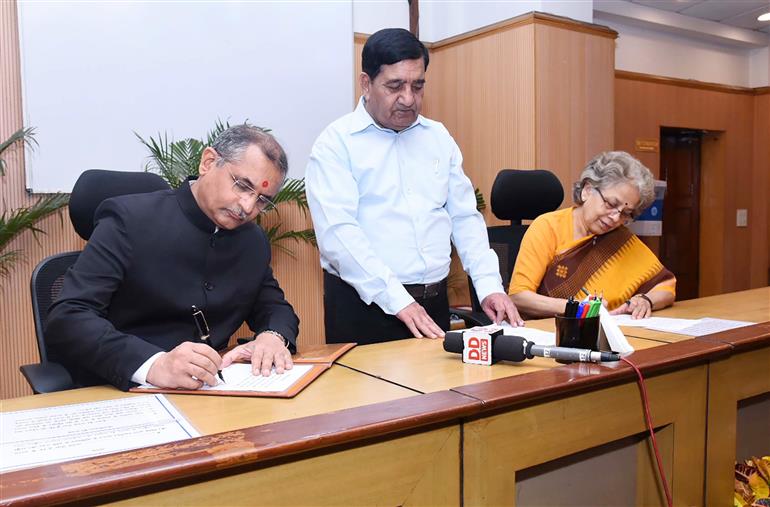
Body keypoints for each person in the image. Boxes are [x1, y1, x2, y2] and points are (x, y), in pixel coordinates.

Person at [306, 28, 521, 345]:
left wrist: (489, 285)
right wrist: (397, 299)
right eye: (395, 86)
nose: (408, 98)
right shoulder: (336, 143)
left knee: (437, 394)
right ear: (366, 84)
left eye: (417, 86)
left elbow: (463, 217)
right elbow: (339, 235)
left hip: (433, 303)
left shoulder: (438, 137)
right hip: (365, 307)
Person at [46, 125, 300, 391]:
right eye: (241, 186)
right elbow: (68, 316)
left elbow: (275, 308)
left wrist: (273, 337)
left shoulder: (252, 240)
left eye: (261, 200)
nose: (247, 207)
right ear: (208, 162)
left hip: (211, 394)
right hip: (120, 389)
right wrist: (153, 364)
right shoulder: (129, 220)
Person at [509, 151, 676, 319]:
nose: (616, 218)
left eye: (626, 213)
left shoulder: (621, 239)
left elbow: (666, 287)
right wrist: (579, 308)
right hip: (546, 333)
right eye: (611, 204)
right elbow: (518, 297)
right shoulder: (548, 227)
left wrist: (646, 299)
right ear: (588, 190)